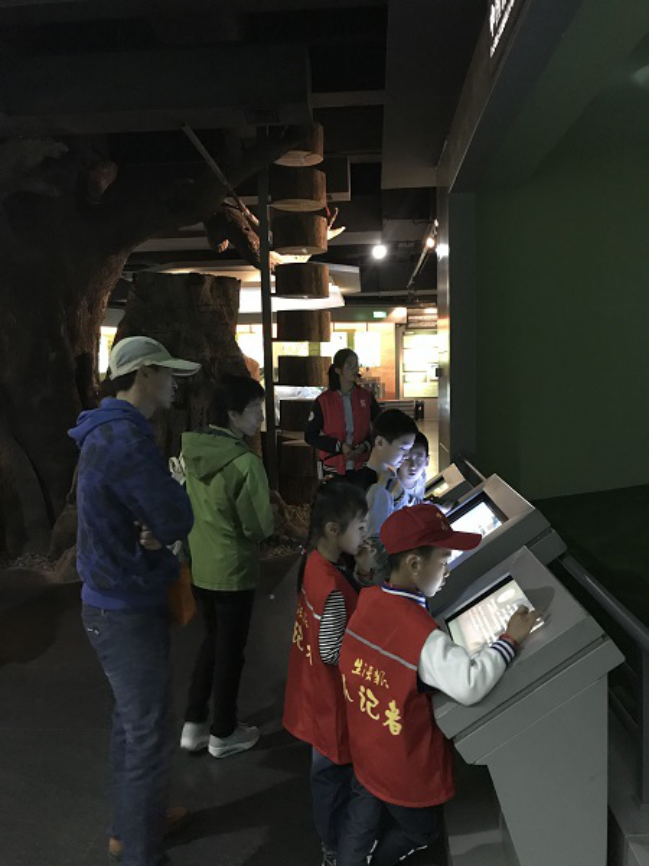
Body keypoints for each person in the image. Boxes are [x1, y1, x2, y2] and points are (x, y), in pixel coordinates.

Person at [337, 505, 540, 866]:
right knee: (420, 831)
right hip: (403, 763)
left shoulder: (371, 599)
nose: (448, 570)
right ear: (415, 563)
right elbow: (469, 683)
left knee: (362, 814)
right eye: (444, 560)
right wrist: (509, 639)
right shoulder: (422, 636)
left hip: (370, 745)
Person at [70, 336, 200, 866]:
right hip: (125, 605)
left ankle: (131, 824)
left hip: (109, 599)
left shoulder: (104, 430)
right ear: (143, 373)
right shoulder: (126, 439)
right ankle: (140, 852)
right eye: (168, 373)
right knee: (149, 732)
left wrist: (153, 522)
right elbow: (176, 515)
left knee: (132, 722)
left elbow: (153, 516)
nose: (175, 384)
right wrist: (162, 517)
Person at [180, 373, 276, 759]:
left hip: (202, 567)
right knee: (231, 652)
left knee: (212, 642)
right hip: (234, 571)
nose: (261, 417)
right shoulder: (245, 463)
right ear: (233, 414)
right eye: (255, 410)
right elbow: (259, 527)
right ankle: (223, 731)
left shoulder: (193, 453)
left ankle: (193, 724)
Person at [283, 481, 373, 866]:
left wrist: (360, 573)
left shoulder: (315, 563)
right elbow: (332, 651)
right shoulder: (333, 586)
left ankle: (333, 841)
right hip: (330, 701)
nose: (366, 534)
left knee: (325, 773)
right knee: (331, 778)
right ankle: (334, 847)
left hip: (312, 691)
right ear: (334, 530)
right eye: (361, 527)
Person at [353, 409, 419, 582]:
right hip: (383, 574)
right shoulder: (377, 489)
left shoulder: (386, 476)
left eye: (409, 450)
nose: (406, 456)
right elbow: (375, 543)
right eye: (403, 449)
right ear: (380, 442)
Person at [305, 349, 382, 480]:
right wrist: (340, 447)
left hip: (362, 466)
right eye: (349, 365)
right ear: (338, 370)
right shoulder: (323, 401)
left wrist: (364, 447)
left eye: (356, 364)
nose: (354, 368)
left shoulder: (366, 397)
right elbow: (310, 436)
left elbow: (381, 427)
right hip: (333, 468)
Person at [396, 432, 430, 507]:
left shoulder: (422, 476)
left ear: (427, 461)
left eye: (419, 459)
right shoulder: (391, 486)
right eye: (407, 459)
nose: (413, 466)